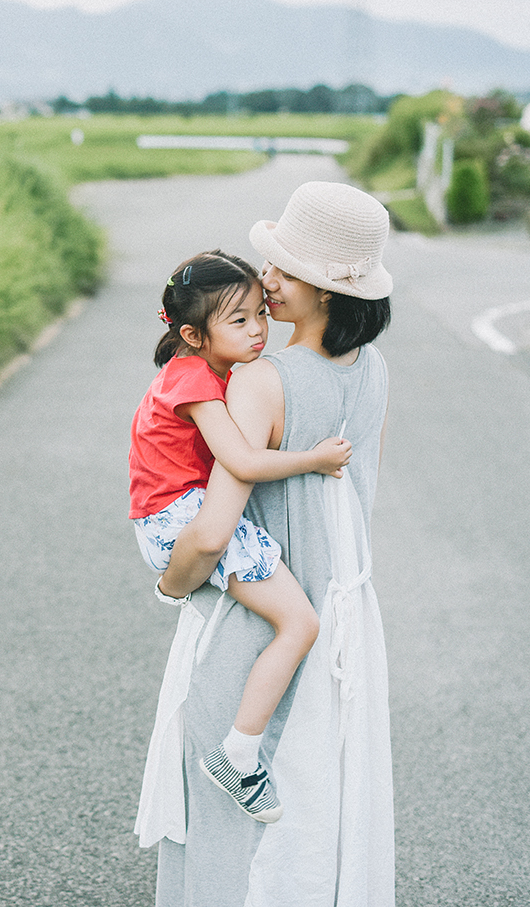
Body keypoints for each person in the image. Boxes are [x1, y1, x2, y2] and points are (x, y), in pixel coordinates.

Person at [136, 180, 396, 907]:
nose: (267, 281)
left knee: (229, 824)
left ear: (325, 288)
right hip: (343, 616)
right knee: (322, 805)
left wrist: (172, 584)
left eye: (283, 269)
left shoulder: (261, 379)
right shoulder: (373, 371)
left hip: (258, 623)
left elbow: (214, 529)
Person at [129, 249, 352, 823]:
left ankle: (240, 750)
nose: (258, 330)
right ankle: (238, 755)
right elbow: (245, 463)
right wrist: (313, 459)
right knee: (300, 622)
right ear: (192, 334)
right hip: (183, 517)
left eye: (260, 313)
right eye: (239, 320)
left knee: (290, 622)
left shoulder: (201, 369)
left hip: (174, 512)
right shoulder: (195, 382)